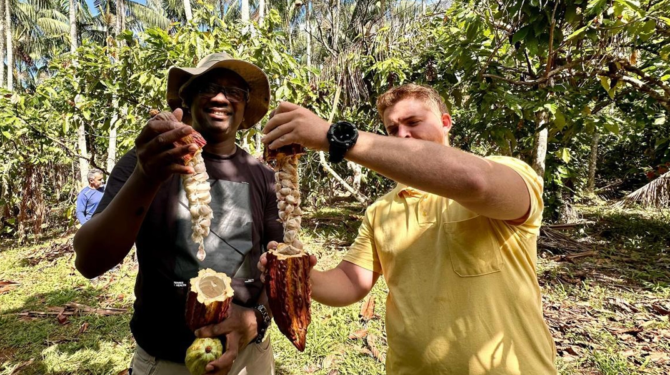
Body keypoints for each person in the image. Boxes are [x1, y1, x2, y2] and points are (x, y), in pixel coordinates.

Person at [259, 84, 557, 374]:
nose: (403, 135)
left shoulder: (505, 171)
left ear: (445, 122)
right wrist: (297, 274)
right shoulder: (381, 211)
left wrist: (335, 137)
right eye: (392, 130)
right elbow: (351, 282)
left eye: (414, 122)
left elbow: (475, 181)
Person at [74, 53, 282, 375]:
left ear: (245, 108)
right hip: (167, 361)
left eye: (234, 92)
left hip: (250, 357)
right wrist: (145, 176)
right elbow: (89, 262)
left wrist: (257, 318)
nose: (219, 97)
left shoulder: (263, 177)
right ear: (186, 98)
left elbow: (278, 266)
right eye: (207, 87)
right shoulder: (146, 161)